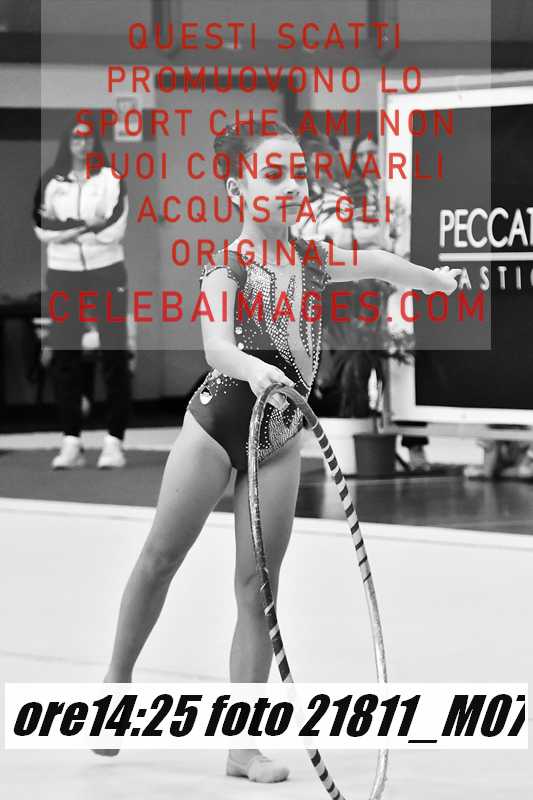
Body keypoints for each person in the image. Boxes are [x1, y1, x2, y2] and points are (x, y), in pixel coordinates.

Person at [92, 121, 460, 780]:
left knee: (257, 588)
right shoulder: (226, 267)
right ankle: (115, 685)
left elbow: (378, 263)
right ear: (238, 188)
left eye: (297, 173)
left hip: (281, 440)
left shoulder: (313, 258)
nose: (291, 185)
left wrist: (437, 283)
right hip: (217, 427)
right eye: (273, 174)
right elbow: (215, 346)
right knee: (159, 559)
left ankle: (242, 744)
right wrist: (252, 367)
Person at [33, 112, 130, 469]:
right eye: (75, 137)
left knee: (114, 353)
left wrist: (66, 229)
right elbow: (42, 227)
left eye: (87, 137)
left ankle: (114, 441)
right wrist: (84, 224)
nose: (82, 143)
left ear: (95, 142)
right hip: (63, 273)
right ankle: (71, 440)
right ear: (67, 142)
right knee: (65, 355)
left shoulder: (111, 178)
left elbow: (114, 227)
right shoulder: (50, 180)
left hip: (107, 269)